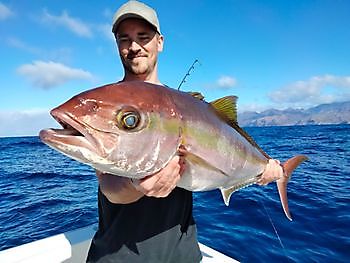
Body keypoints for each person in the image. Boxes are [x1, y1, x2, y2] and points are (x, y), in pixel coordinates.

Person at [86, 1, 283, 262]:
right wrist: (137, 185)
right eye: (125, 39)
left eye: (143, 37)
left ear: (160, 42)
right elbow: (110, 186)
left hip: (183, 254)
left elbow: (226, 158)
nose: (134, 47)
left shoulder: (190, 106)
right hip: (117, 255)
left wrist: (264, 169)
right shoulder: (111, 105)